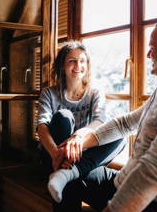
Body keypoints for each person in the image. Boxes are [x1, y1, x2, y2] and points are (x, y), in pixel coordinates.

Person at [58, 16, 157, 212]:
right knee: (71, 175)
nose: (148, 54)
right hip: (124, 179)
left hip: (156, 202)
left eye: (152, 47)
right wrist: (78, 141)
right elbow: (124, 123)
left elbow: (155, 172)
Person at [37, 41, 125, 203]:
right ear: (62, 65)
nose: (78, 65)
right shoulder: (49, 93)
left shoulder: (95, 91)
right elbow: (42, 127)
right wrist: (57, 153)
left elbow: (100, 120)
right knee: (63, 116)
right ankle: (66, 170)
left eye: (82, 61)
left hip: (82, 154)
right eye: (72, 60)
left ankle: (66, 173)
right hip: (53, 155)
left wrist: (78, 136)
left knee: (119, 135)